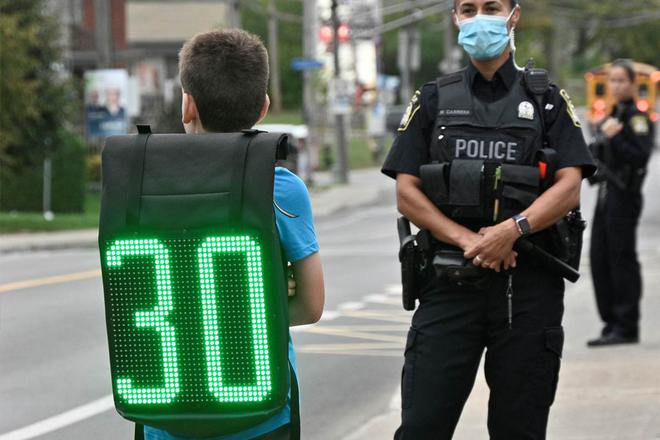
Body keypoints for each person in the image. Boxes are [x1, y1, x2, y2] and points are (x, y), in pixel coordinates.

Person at [382, 0, 596, 438]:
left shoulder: (547, 101)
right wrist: (471, 241)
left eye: (491, 7)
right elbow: (407, 191)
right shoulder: (433, 99)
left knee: (519, 428)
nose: (480, 17)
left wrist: (511, 231)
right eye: (468, 8)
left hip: (527, 284)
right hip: (449, 281)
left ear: (513, 15)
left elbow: (570, 185)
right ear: (456, 19)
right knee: (422, 426)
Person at [143, 29, 325, 440]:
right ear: (263, 107)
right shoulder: (280, 188)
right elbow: (311, 306)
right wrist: (269, 301)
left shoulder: (142, 185)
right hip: (260, 410)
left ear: (187, 105)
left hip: (165, 412)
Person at [586, 59, 654, 347]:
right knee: (599, 257)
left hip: (624, 194)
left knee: (620, 257)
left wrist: (614, 139)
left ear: (633, 84)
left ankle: (626, 325)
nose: (615, 86)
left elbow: (639, 156)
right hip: (605, 193)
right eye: (612, 80)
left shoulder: (637, 117)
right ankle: (610, 322)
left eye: (621, 80)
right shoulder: (611, 114)